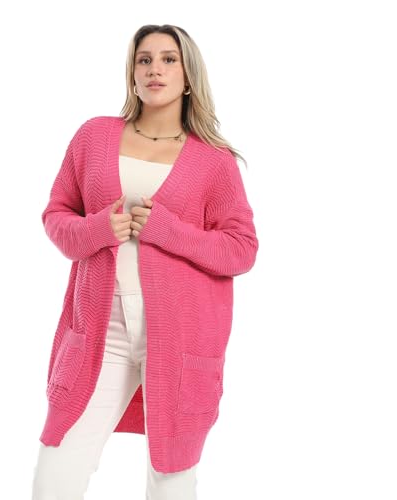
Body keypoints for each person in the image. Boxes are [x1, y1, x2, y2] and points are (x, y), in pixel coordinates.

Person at [31, 24, 259, 500]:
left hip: (180, 335)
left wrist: (169, 231)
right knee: (58, 467)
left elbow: (241, 249)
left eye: (169, 59)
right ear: (132, 74)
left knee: (172, 475)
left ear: (188, 75)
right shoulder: (94, 136)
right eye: (144, 59)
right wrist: (97, 229)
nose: (155, 69)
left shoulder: (214, 161)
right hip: (101, 328)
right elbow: (56, 215)